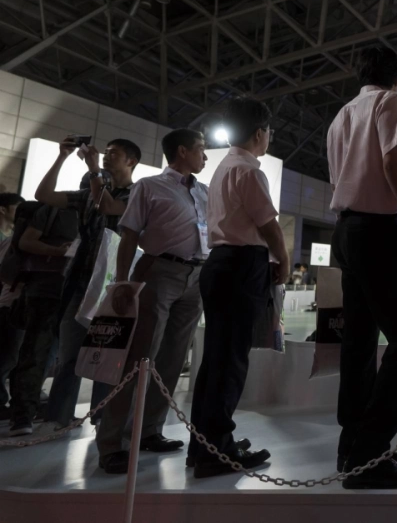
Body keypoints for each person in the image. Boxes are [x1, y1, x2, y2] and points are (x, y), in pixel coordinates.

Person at [327, 45, 397, 489]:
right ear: (396, 77)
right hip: (375, 232)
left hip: (347, 230)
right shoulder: (389, 101)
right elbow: (392, 161)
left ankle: (353, 446)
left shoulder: (341, 115)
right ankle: (370, 452)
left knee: (359, 342)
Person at [95, 129, 208, 473]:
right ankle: (112, 443)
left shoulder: (204, 191)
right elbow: (129, 235)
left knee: (173, 358)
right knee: (139, 357)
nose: (205, 156)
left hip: (196, 276)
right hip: (159, 271)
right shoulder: (149, 186)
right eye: (201, 149)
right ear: (182, 151)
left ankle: (149, 431)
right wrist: (123, 283)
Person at [188, 100, 285, 478]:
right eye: (269, 132)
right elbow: (268, 226)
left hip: (221, 264)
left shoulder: (224, 168)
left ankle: (205, 445)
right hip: (242, 266)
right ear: (260, 133)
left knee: (216, 359)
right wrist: (283, 259)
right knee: (230, 361)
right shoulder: (248, 170)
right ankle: (217, 450)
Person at [35, 138, 140, 430]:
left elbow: (108, 206)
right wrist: (62, 157)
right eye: (105, 153)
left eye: (114, 154)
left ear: (131, 161)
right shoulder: (87, 194)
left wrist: (93, 169)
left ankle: (104, 418)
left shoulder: (137, 194)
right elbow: (43, 194)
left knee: (108, 357)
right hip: (80, 282)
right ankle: (58, 418)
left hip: (113, 285)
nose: (106, 157)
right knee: (70, 355)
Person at [7, 201, 79, 436]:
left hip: (76, 292)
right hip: (46, 289)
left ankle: (58, 412)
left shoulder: (99, 215)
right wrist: (57, 251)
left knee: (65, 357)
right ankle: (22, 415)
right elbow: (26, 241)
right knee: (36, 353)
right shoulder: (55, 209)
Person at [0, 193, 24, 421]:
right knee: (7, 357)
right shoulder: (13, 241)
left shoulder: (10, 238)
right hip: (9, 305)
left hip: (9, 304)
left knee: (10, 356)